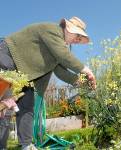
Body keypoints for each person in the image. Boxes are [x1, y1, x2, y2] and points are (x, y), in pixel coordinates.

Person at [0, 16, 96, 150]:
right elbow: (64, 56)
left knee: (27, 107)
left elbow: (61, 72)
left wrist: (84, 82)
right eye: (77, 36)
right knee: (5, 106)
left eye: (79, 39)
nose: (77, 40)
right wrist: (86, 70)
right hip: (7, 57)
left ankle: (26, 145)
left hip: (25, 74)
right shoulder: (52, 30)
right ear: (68, 28)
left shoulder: (58, 47)